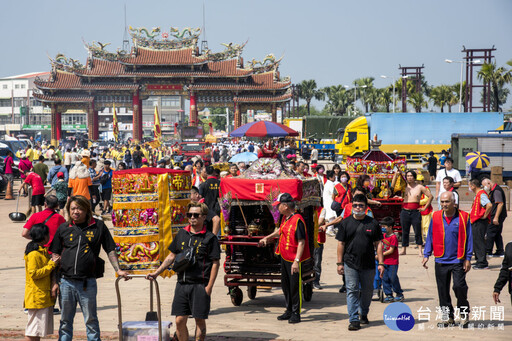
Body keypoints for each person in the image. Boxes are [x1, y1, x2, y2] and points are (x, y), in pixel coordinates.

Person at [50, 195, 129, 341]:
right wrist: (54, 282)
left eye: (80, 208)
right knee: (65, 321)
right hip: (66, 283)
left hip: (88, 284)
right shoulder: (63, 228)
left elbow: (110, 249)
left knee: (91, 320)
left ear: (87, 210)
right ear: (68, 210)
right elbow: (54, 255)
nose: (76, 212)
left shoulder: (98, 226)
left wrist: (118, 270)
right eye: (73, 208)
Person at [147, 202, 220, 341]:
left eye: (196, 215)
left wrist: (209, 287)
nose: (192, 218)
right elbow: (171, 256)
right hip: (181, 284)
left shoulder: (210, 238)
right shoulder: (182, 233)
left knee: (199, 320)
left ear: (204, 217)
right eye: (189, 215)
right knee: (179, 320)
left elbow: (215, 263)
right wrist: (157, 272)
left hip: (200, 284)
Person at [422, 191, 472, 328]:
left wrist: (468, 258)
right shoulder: (436, 216)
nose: (444, 204)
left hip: (458, 260)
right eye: (442, 202)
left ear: (454, 202)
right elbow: (430, 236)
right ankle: (448, 317)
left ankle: (464, 313)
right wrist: (426, 254)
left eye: (447, 202)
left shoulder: (464, 217)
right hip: (441, 259)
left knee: (459, 286)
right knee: (442, 290)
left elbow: (469, 239)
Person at [259, 193, 310, 324]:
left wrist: (296, 261)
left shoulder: (298, 220)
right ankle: (288, 310)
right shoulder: (286, 218)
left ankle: (296, 313)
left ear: (286, 206)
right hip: (284, 257)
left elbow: (301, 242)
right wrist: (267, 238)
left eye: (279, 206)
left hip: (294, 259)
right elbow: (280, 231)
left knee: (294, 286)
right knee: (285, 285)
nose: (277, 208)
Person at [335, 194, 384, 330]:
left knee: (368, 291)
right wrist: (339, 263)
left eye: (361, 205)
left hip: (368, 264)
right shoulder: (345, 223)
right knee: (352, 289)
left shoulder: (373, 223)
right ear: (352, 206)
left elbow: (378, 244)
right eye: (355, 205)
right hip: (350, 263)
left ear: (366, 207)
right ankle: (354, 319)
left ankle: (364, 313)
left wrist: (381, 263)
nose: (358, 208)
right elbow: (341, 244)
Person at [24, 224, 59, 341]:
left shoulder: (42, 251)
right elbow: (34, 273)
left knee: (37, 330)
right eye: (48, 234)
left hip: (42, 295)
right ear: (43, 236)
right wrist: (51, 264)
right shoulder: (34, 254)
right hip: (36, 296)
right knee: (33, 330)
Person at [391, 170, 432, 256]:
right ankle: (404, 249)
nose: (409, 177)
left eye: (411, 176)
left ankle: (420, 250)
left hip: (415, 211)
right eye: (408, 176)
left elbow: (430, 196)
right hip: (405, 211)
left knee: (417, 231)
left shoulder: (420, 187)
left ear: (414, 177)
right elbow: (392, 186)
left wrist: (425, 207)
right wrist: (396, 174)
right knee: (405, 231)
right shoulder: (404, 186)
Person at [378, 216, 404, 303]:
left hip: (392, 262)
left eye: (384, 226)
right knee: (384, 278)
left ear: (390, 227)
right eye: (382, 226)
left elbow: (391, 250)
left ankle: (399, 293)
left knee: (392, 278)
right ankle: (388, 294)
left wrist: (380, 255)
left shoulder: (393, 237)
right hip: (384, 262)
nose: (383, 228)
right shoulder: (383, 236)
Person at [469, 178, 492, 269]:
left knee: (479, 241)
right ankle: (479, 260)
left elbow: (489, 205)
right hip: (476, 220)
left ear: (473, 186)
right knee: (476, 240)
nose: (469, 187)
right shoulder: (478, 194)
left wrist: (485, 216)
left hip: (480, 221)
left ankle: (482, 263)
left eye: (470, 185)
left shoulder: (481, 194)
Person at [482, 177, 508, 257]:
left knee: (490, 232)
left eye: (485, 186)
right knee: (496, 233)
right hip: (497, 215)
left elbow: (500, 204)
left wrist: (496, 217)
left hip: (497, 215)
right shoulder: (493, 190)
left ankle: (488, 251)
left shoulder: (496, 190)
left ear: (489, 183)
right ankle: (500, 251)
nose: (485, 188)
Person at [199, 166, 221, 236]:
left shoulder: (203, 184)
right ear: (214, 172)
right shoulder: (220, 183)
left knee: (207, 231)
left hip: (207, 211)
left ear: (206, 173)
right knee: (217, 231)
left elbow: (200, 197)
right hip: (218, 210)